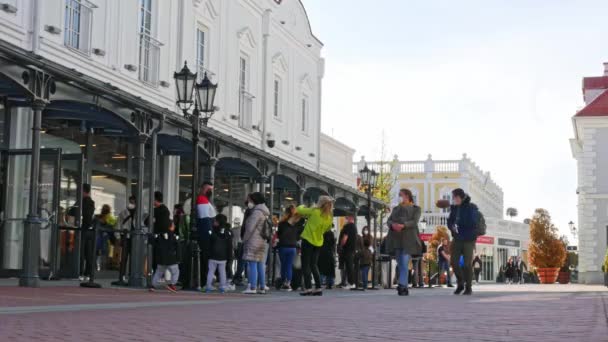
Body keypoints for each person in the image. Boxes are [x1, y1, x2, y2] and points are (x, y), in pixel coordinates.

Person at [386, 189, 422, 296]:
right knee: (400, 263)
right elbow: (389, 220)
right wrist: (392, 225)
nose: (399, 197)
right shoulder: (396, 208)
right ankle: (404, 287)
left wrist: (403, 225)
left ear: (407, 195)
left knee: (404, 262)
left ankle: (402, 285)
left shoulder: (416, 209)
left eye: (400, 195)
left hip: (409, 240)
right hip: (396, 239)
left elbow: (414, 222)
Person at [297, 196, 334, 296]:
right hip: (318, 242)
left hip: (308, 240)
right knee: (314, 265)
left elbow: (300, 210)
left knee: (306, 265)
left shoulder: (315, 211)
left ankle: (308, 288)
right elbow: (327, 229)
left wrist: (302, 205)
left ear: (320, 203)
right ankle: (318, 288)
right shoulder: (329, 217)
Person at [447, 188, 480, 295]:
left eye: (455, 197)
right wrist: (452, 227)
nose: (454, 199)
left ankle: (468, 287)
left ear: (461, 197)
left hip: (469, 239)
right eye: (453, 198)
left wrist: (460, 225)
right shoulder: (454, 209)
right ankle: (460, 283)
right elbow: (450, 221)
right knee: (453, 262)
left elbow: (473, 223)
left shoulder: (471, 208)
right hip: (457, 238)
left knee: (466, 264)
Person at [241, 193, 270, 294]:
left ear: (254, 200)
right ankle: (262, 287)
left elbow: (249, 228)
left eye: (249, 200)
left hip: (253, 240)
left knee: (252, 263)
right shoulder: (263, 212)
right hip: (261, 241)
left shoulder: (256, 212)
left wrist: (244, 239)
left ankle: (252, 287)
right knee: (259, 264)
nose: (248, 202)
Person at [205, 214, 233, 293]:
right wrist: (229, 256)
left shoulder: (213, 231)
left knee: (211, 271)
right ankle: (222, 287)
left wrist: (208, 253)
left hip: (213, 255)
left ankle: (208, 286)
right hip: (223, 256)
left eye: (215, 221)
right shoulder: (228, 232)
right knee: (222, 272)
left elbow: (209, 244)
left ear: (218, 222)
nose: (214, 222)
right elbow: (229, 246)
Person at [150, 221, 180, 293]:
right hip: (171, 258)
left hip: (161, 258)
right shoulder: (173, 236)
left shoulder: (160, 235)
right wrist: (178, 258)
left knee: (158, 272)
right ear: (170, 227)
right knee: (176, 271)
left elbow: (153, 242)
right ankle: (171, 284)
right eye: (173, 225)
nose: (174, 226)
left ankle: (153, 285)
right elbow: (177, 247)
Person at [196, 182, 216, 287]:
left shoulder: (205, 200)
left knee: (206, 258)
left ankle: (206, 281)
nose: (210, 191)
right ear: (203, 189)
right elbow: (205, 219)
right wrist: (210, 233)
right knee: (205, 257)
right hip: (205, 234)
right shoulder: (202, 200)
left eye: (211, 189)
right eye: (209, 189)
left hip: (206, 232)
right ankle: (204, 282)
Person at [277, 205, 299, 291]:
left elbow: (279, 234)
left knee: (283, 265)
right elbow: (298, 235)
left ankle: (283, 282)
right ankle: (288, 283)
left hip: (283, 246)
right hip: (293, 247)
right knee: (289, 266)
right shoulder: (296, 223)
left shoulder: (282, 223)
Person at [116, 196, 136, 284]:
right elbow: (118, 224)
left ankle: (131, 275)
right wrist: (118, 237)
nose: (131, 203)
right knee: (123, 258)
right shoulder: (123, 213)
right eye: (130, 201)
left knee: (134, 258)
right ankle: (122, 275)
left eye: (133, 202)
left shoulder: (139, 213)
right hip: (126, 237)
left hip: (135, 238)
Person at [79, 183, 96, 281]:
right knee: (88, 252)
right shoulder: (91, 202)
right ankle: (88, 273)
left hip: (84, 229)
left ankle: (80, 272)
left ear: (83, 191)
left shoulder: (83, 202)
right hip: (90, 230)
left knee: (81, 251)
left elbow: (85, 215)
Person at [339, 213, 359, 290]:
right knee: (349, 266)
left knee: (349, 266)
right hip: (352, 249)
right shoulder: (354, 227)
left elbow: (345, 238)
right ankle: (351, 283)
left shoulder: (348, 226)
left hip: (347, 249)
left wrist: (341, 245)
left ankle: (351, 283)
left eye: (347, 217)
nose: (345, 219)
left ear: (350, 218)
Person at [96, 204, 117, 271]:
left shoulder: (97, 217)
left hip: (97, 238)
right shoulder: (111, 218)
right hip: (106, 239)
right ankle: (104, 268)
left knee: (96, 254)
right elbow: (113, 228)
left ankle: (95, 268)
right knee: (105, 254)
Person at [231, 217, 245, 286]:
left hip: (236, 247)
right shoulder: (241, 229)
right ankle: (237, 278)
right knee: (241, 263)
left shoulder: (232, 230)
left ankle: (237, 277)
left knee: (241, 263)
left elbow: (233, 240)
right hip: (240, 245)